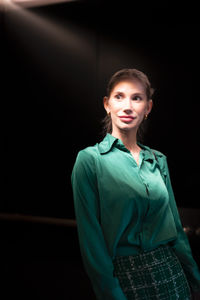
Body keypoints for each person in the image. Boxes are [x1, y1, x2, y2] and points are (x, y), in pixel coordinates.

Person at [71, 68, 200, 300]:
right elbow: (91, 242)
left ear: (148, 108)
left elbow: (177, 232)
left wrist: (195, 280)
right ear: (106, 104)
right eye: (119, 96)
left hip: (171, 273)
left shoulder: (158, 160)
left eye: (136, 98)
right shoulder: (90, 161)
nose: (127, 106)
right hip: (124, 277)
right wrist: (111, 293)